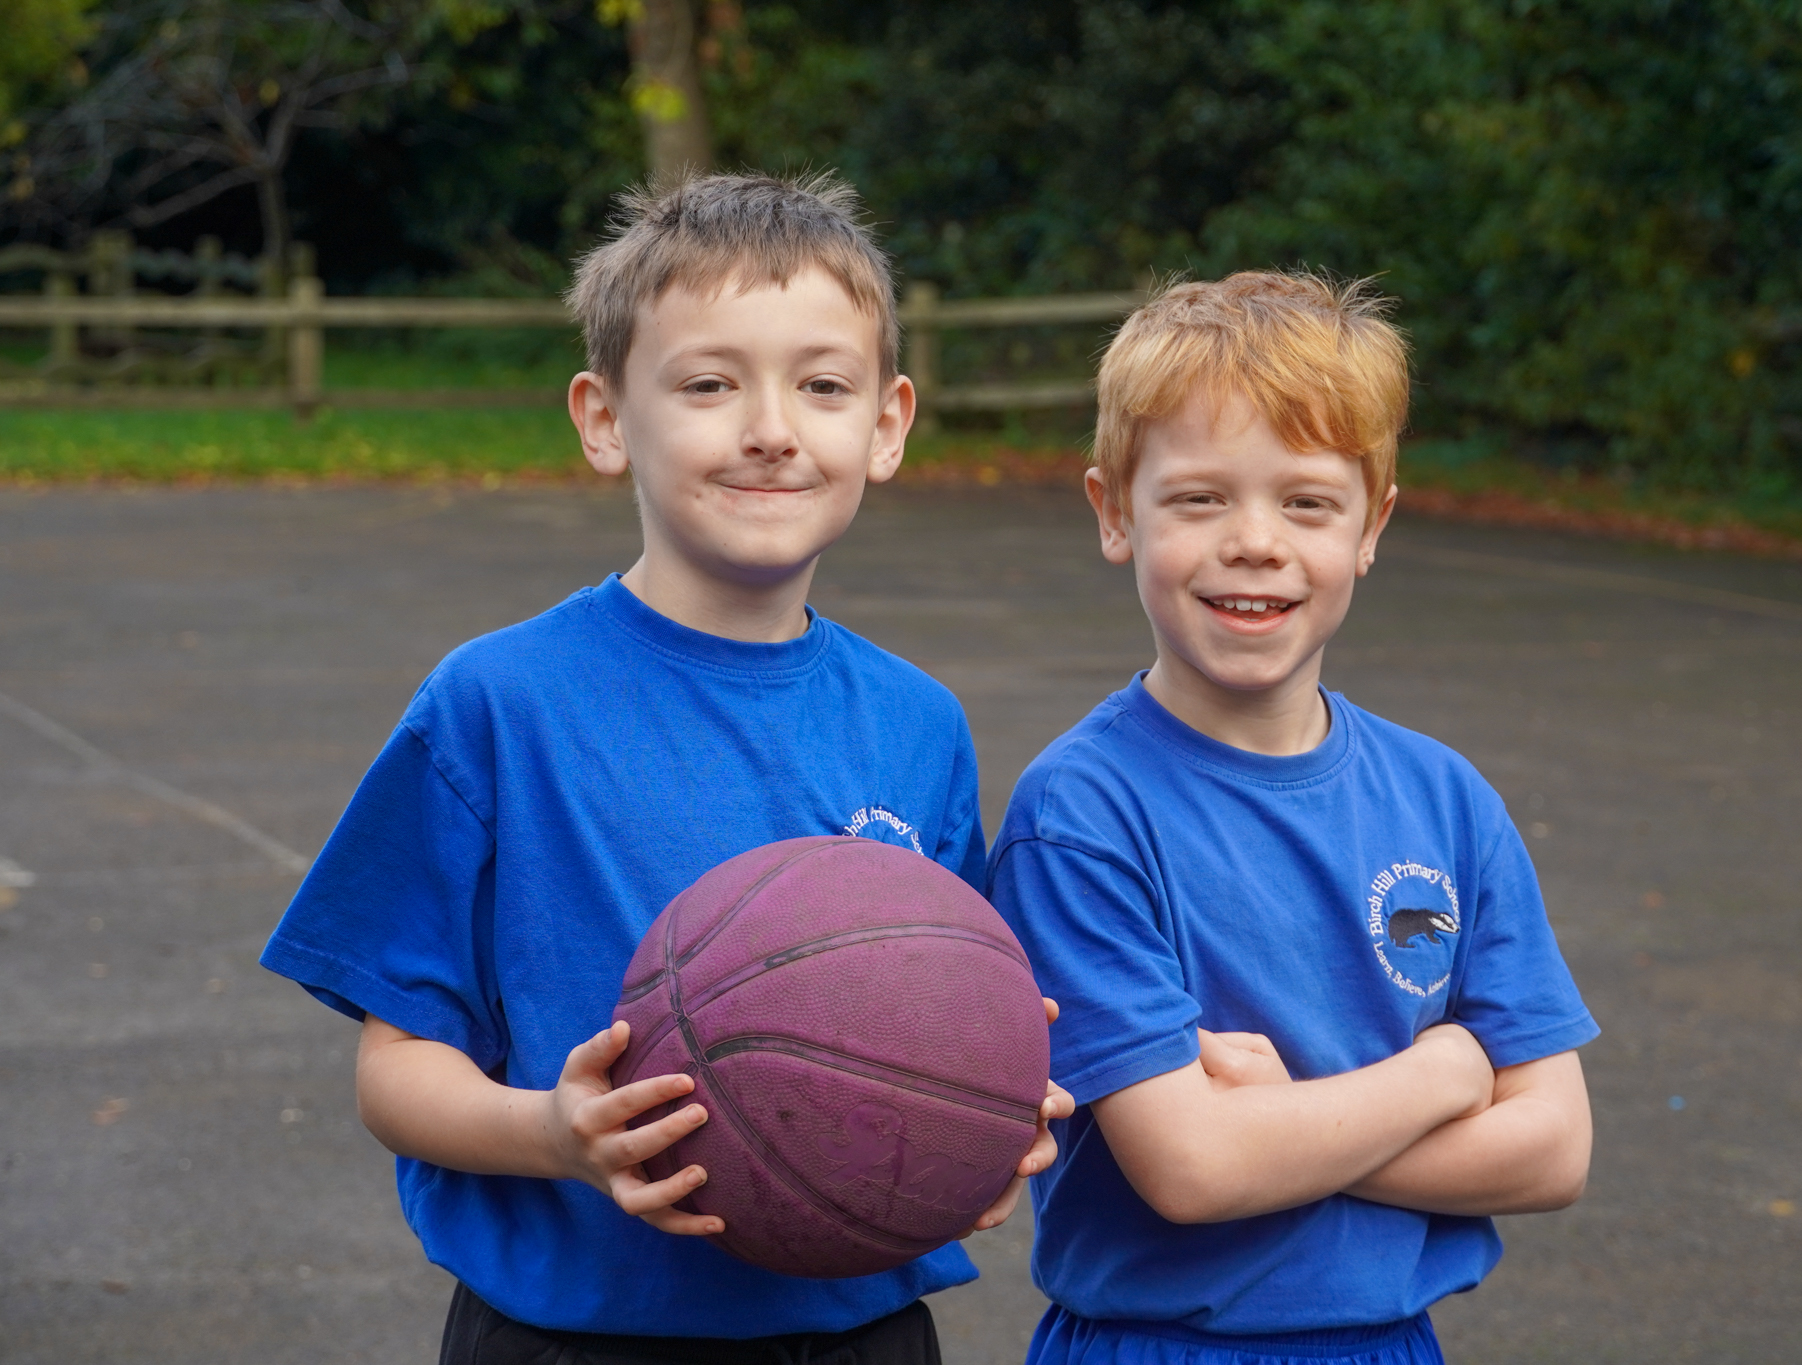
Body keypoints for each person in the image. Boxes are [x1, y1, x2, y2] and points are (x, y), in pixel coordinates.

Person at [260, 171, 1071, 1365]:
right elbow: (395, 1069)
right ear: (601, 418)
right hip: (572, 1334)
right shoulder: (499, 704)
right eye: (706, 384)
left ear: (887, 424)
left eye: (822, 385)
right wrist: (554, 1133)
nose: (769, 428)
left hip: (858, 1328)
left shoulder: (917, 722)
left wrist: (975, 1115)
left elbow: (955, 1006)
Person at [987, 271, 1597, 1365]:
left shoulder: (1442, 797)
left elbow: (1552, 1149)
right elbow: (1195, 1171)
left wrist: (1294, 1123)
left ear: (1371, 526)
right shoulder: (1082, 813)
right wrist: (1441, 1076)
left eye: (1306, 502)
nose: (1254, 541)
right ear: (1112, 513)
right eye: (1198, 498)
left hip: (1386, 1342)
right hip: (1157, 1344)